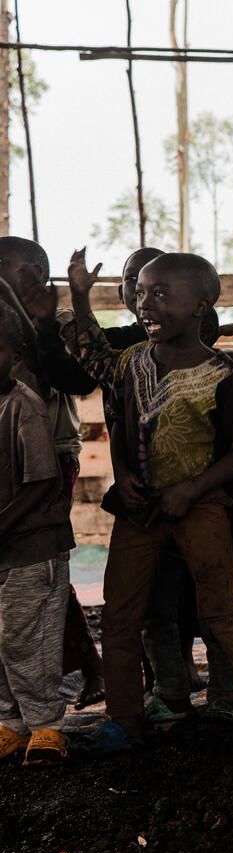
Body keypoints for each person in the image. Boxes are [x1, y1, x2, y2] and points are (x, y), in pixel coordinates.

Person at [84, 252, 233, 757]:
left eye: (160, 293)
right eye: (140, 293)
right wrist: (128, 478)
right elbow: (114, 411)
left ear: (201, 304)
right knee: (120, 612)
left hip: (199, 505)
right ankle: (125, 720)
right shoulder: (130, 361)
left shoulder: (224, 374)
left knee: (223, 606)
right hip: (141, 508)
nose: (145, 302)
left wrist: (190, 490)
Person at [0, 237, 105, 711]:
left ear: (39, 273)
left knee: (38, 565)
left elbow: (70, 379)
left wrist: (35, 315)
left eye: (4, 267)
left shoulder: (57, 321)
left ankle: (84, 668)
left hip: (48, 457)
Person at [0, 302, 74, 764]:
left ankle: (47, 725)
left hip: (30, 547)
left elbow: (42, 483)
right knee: (1, 639)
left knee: (30, 639)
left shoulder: (24, 406)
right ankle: (9, 721)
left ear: (15, 354)